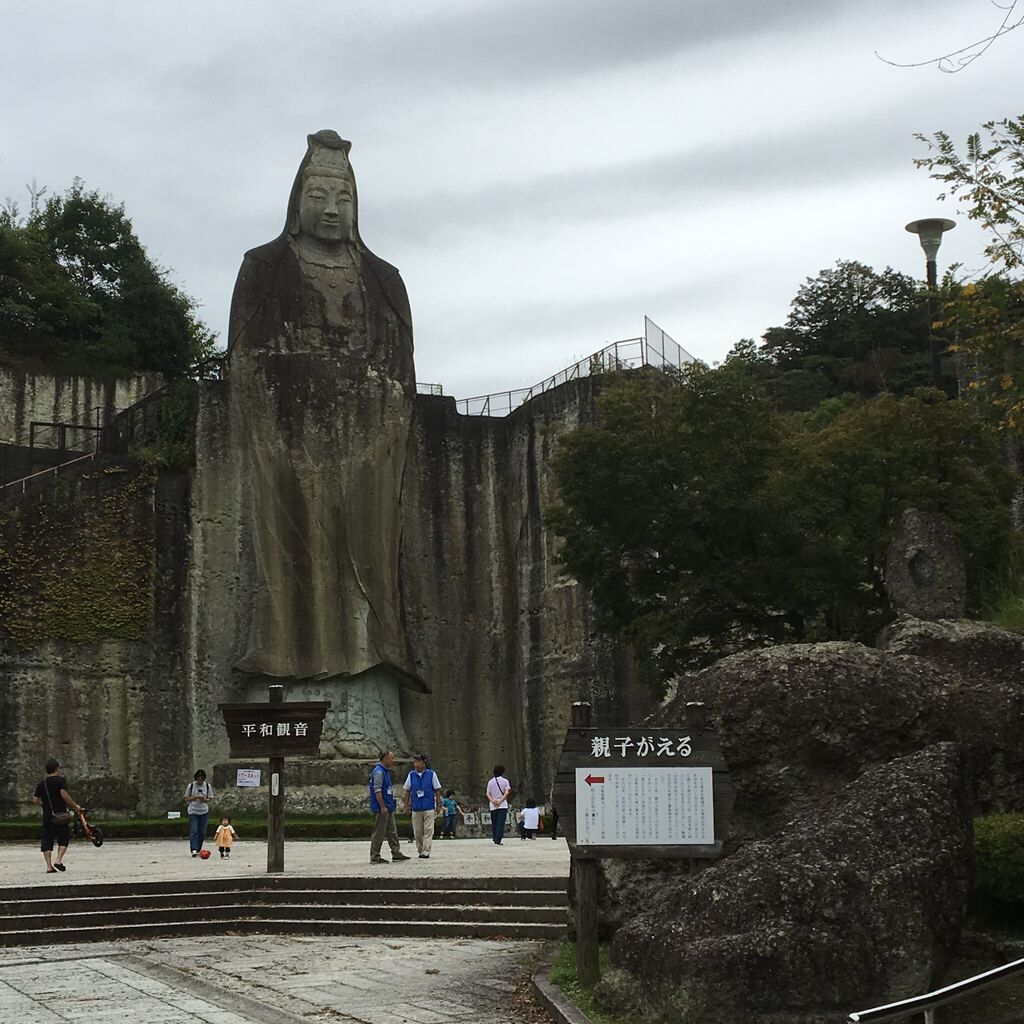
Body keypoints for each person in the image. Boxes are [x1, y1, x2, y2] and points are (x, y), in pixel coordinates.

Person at [32, 758, 84, 874]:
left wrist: (45, 806)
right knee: (63, 838)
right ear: (56, 769)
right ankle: (58, 860)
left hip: (48, 816)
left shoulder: (42, 783)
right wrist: (75, 806)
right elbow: (64, 795)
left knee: (47, 840)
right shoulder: (60, 781)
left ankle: (49, 866)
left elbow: (35, 799)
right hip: (60, 815)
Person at [369, 750, 411, 864]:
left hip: (389, 806)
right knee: (379, 832)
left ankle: (396, 852)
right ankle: (375, 855)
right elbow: (377, 791)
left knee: (392, 831)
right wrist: (382, 806)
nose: (393, 760)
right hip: (382, 808)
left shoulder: (385, 771)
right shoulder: (379, 772)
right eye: (391, 758)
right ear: (385, 759)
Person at [403, 754, 442, 859]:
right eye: (415, 762)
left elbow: (437, 790)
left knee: (428, 830)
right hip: (416, 807)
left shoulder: (431, 774)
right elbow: (407, 791)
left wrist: (438, 804)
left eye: (418, 762)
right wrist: (406, 805)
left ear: (424, 763)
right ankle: (420, 849)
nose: (416, 764)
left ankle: (426, 850)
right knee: (418, 831)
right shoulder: (411, 775)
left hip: (428, 806)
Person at [184, 769, 213, 857]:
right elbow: (186, 798)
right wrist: (194, 797)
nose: (200, 781)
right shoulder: (191, 785)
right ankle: (194, 849)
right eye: (198, 779)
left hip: (204, 811)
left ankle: (198, 848)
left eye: (202, 779)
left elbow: (210, 798)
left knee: (202, 832)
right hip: (193, 811)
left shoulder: (207, 786)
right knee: (194, 830)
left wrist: (204, 799)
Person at [486, 765, 511, 845]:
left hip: (493, 805)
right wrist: (500, 801)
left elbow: (488, 793)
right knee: (500, 823)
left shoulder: (490, 782)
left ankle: (494, 838)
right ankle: (498, 839)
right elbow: (507, 792)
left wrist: (493, 801)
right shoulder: (505, 781)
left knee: (494, 823)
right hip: (502, 805)